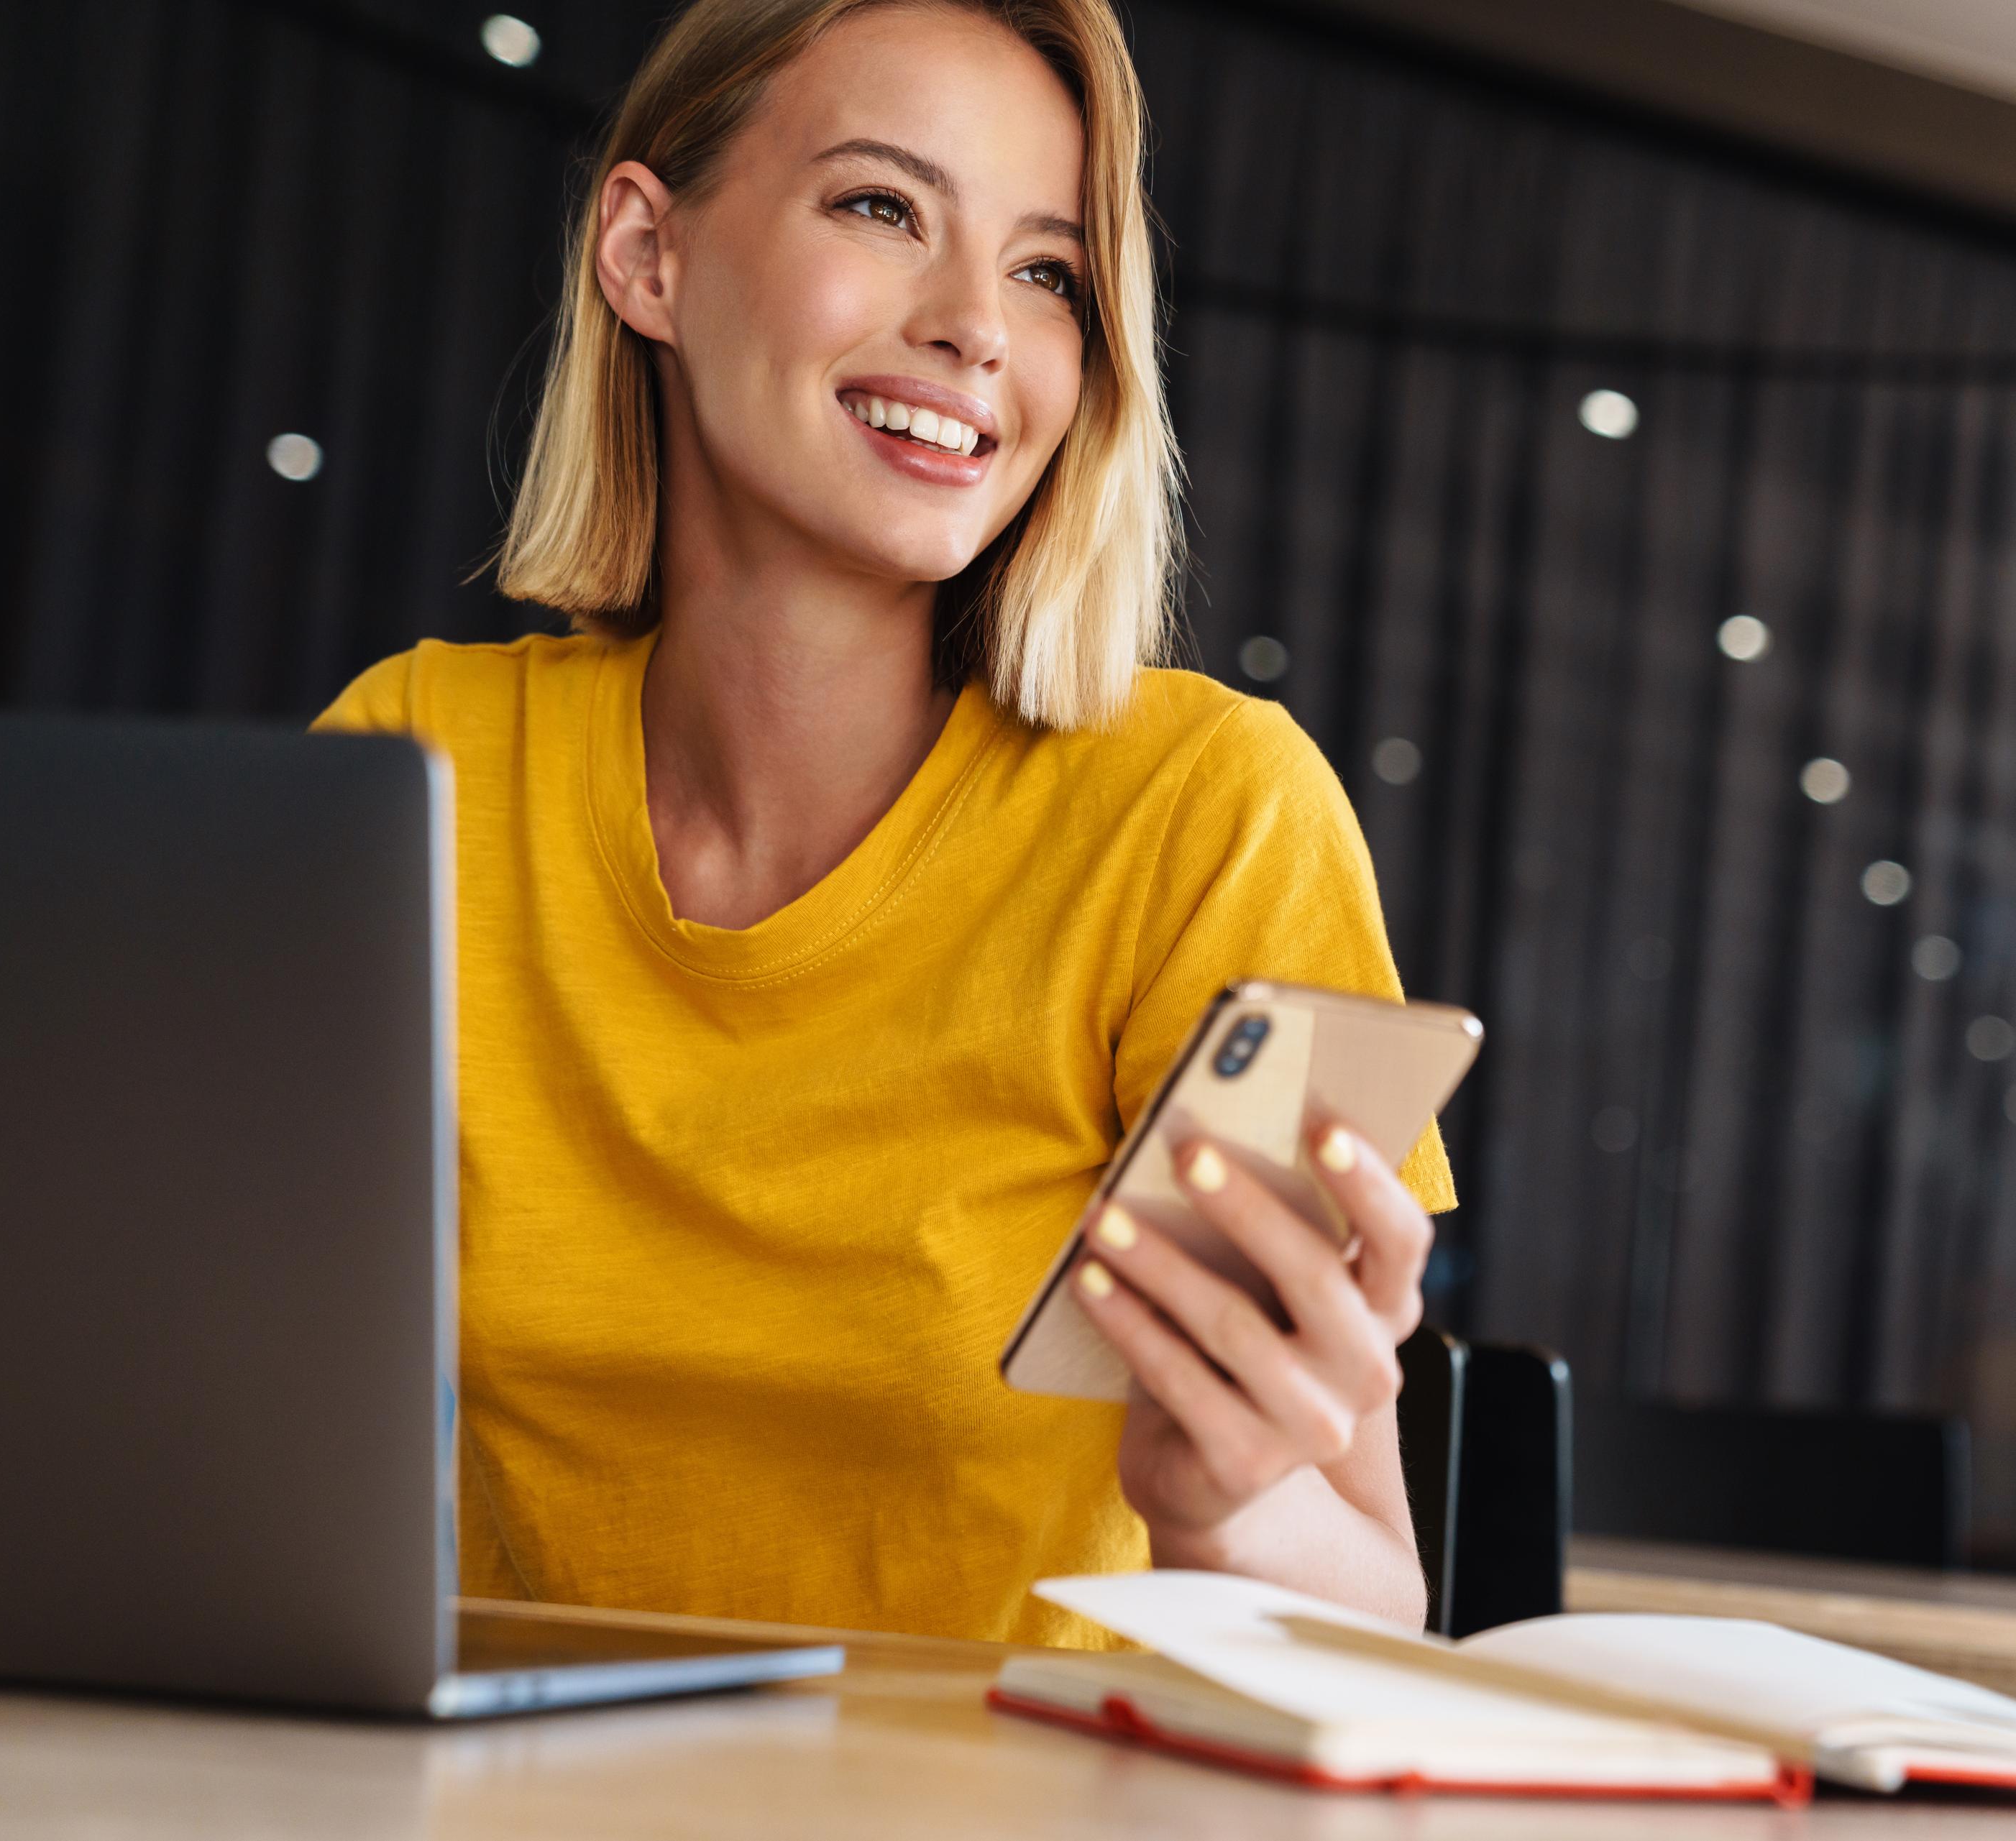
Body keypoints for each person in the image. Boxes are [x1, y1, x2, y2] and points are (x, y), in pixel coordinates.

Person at [313, 0, 1446, 1648]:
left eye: (1049, 273)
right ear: (648, 254)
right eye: (883, 208)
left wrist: (1231, 1505)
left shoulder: (1206, 821)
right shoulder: (413, 761)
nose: (979, 327)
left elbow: (1384, 1608)